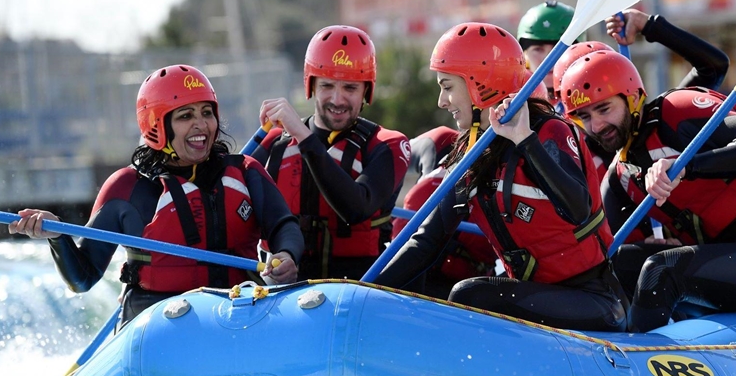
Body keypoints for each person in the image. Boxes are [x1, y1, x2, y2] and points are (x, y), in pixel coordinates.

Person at [375, 22, 626, 332]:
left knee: (469, 294)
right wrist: (364, 292)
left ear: (481, 84)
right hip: (536, 294)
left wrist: (525, 141)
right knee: (431, 296)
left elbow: (577, 208)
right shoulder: (473, 154)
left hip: (592, 300)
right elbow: (427, 241)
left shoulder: (549, 131)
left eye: (448, 86)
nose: (442, 101)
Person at [8, 64, 305, 326]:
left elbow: (283, 226)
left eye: (207, 113)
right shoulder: (128, 189)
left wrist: (287, 255)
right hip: (156, 328)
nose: (201, 124)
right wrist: (57, 236)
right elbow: (83, 278)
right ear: (156, 126)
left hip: (237, 315)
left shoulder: (245, 171)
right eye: (185, 116)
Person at [559, 50, 736, 332]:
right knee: (614, 264)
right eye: (584, 117)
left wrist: (687, 166)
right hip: (725, 274)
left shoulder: (678, 111)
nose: (597, 126)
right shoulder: (618, 180)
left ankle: (641, 359)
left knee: (662, 269)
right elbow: (610, 260)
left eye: (604, 109)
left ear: (632, 98)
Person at [255, 25, 411, 281]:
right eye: (327, 86)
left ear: (366, 91)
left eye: (350, 88)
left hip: (358, 293)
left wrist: (303, 136)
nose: (337, 100)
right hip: (283, 295)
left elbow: (356, 209)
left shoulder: (388, 145)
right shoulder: (274, 143)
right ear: (311, 85)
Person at [396, 126, 497, 298]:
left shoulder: (517, 163)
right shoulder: (441, 141)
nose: (442, 101)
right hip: (413, 272)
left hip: (468, 287)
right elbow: (391, 152)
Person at [517, 0, 581, 96]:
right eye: (538, 49)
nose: (548, 59)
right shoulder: (512, 101)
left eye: (559, 49)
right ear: (524, 55)